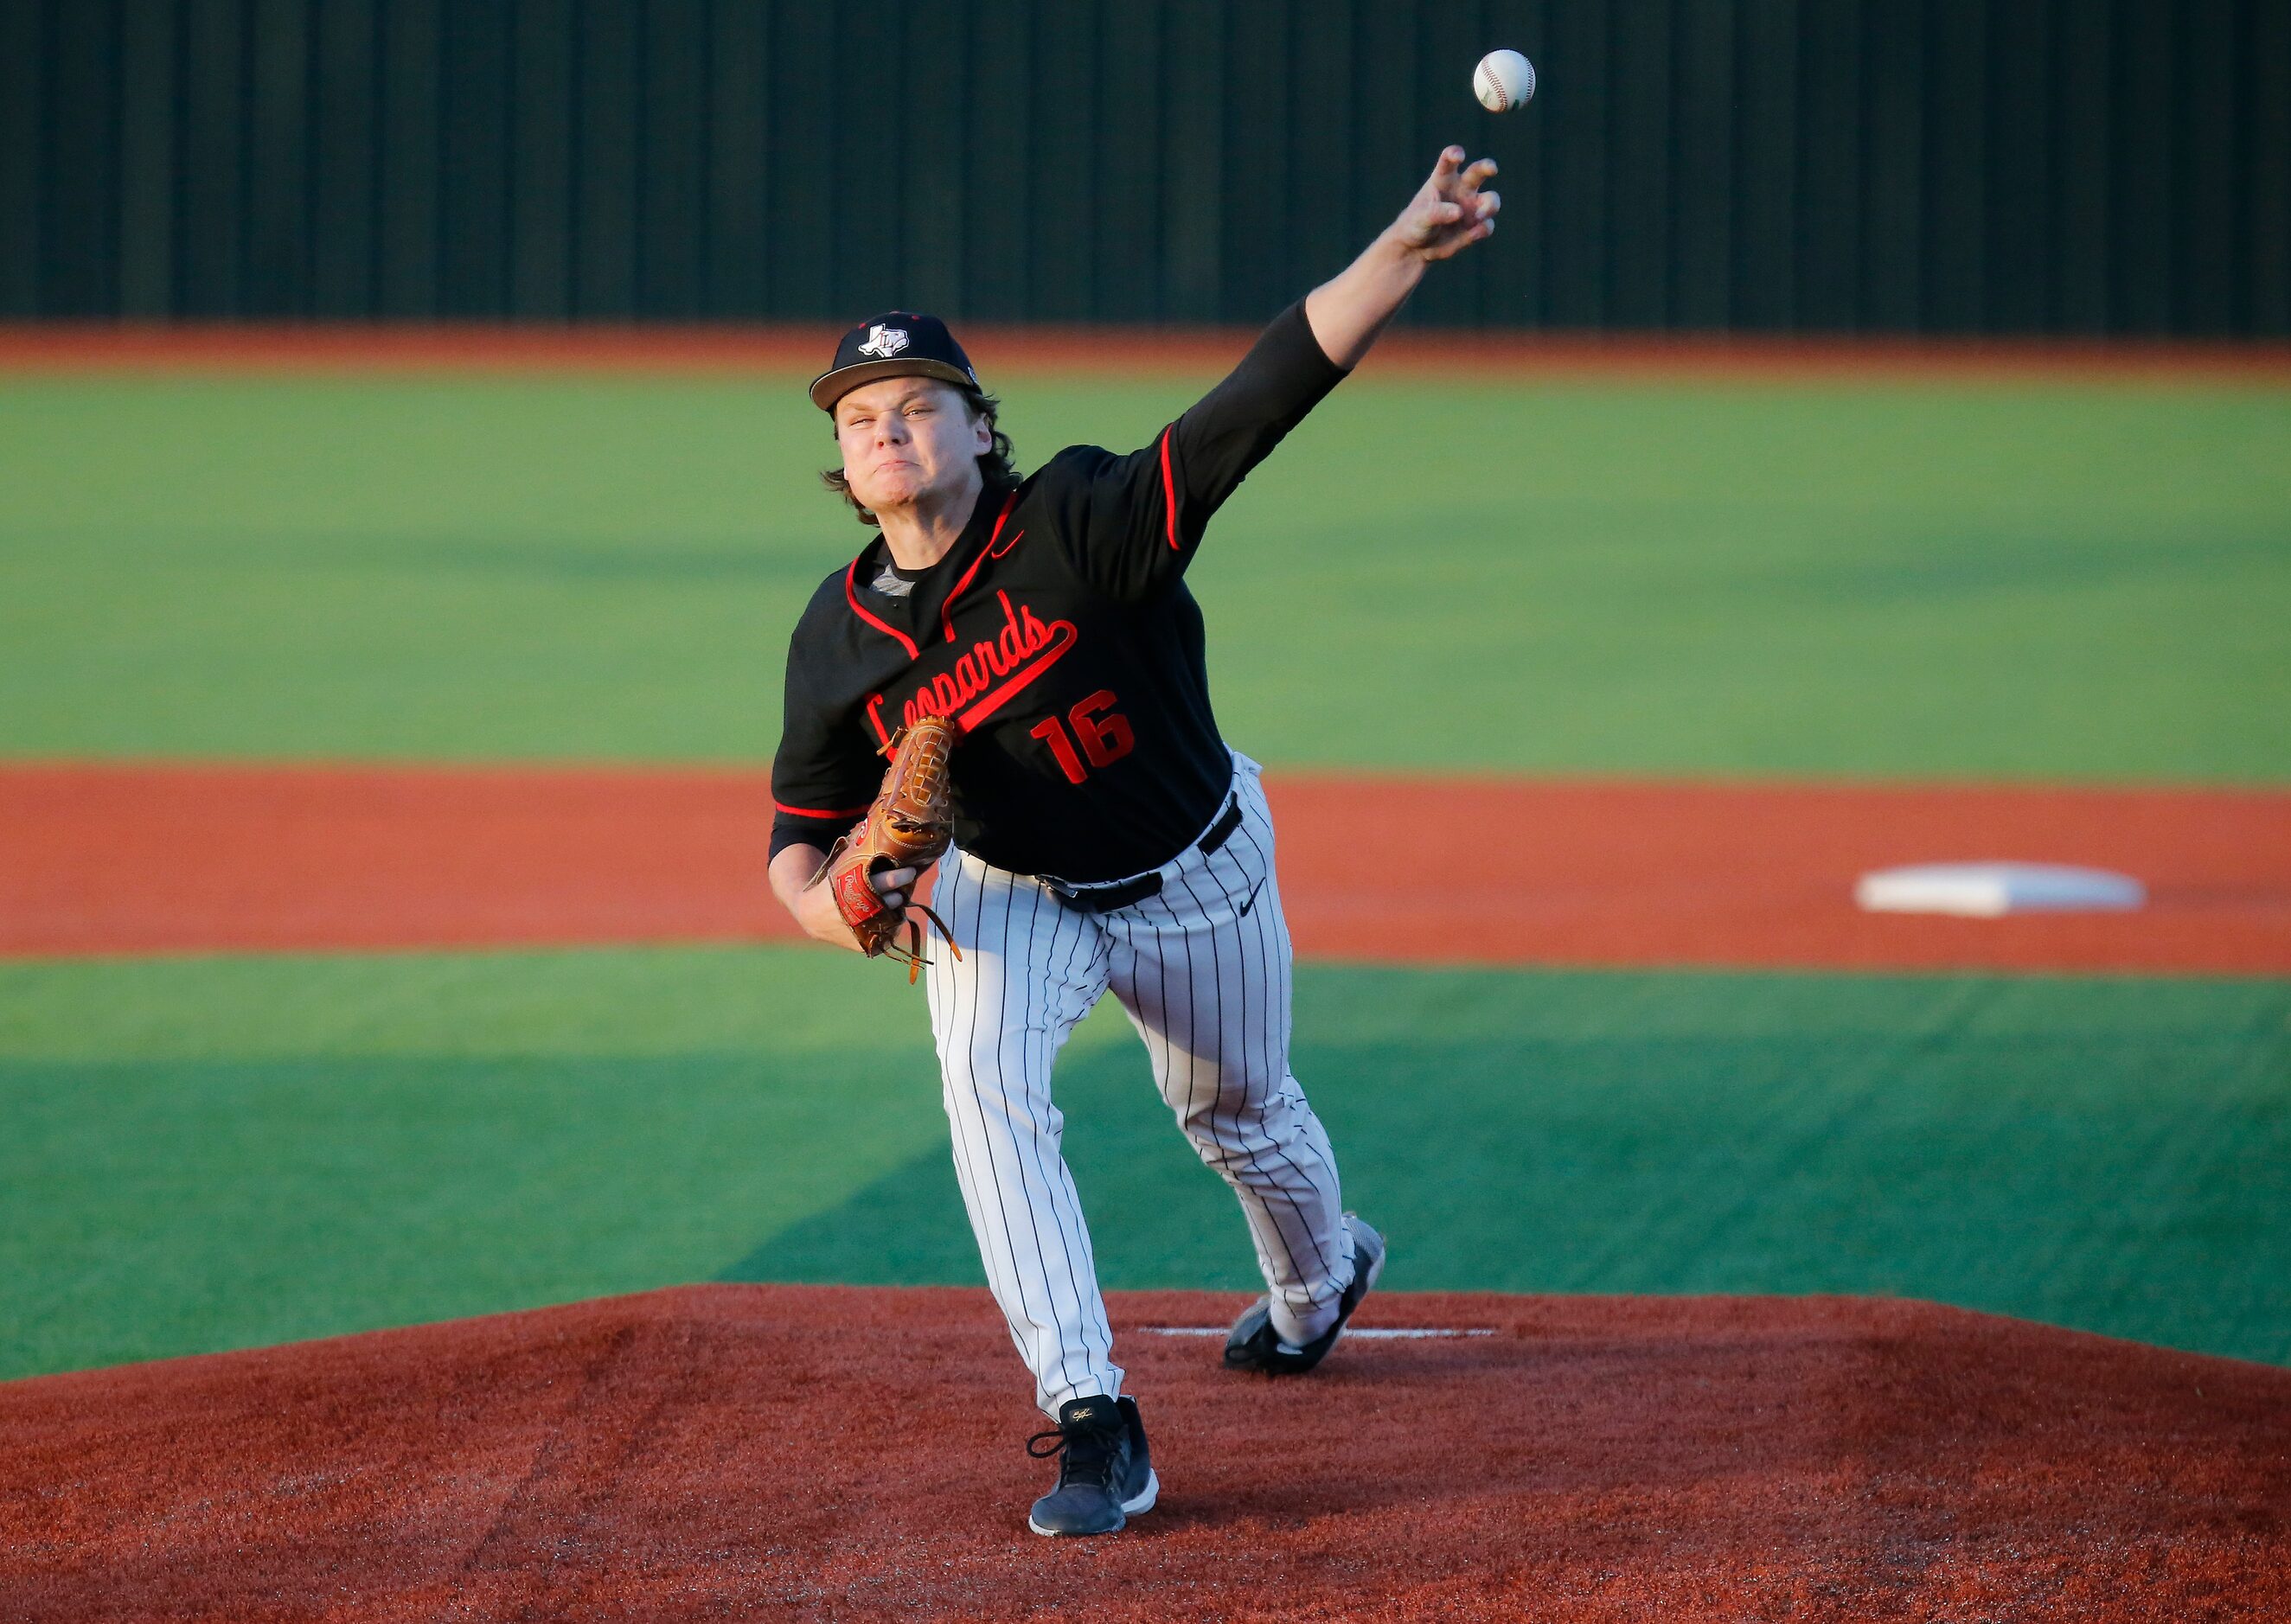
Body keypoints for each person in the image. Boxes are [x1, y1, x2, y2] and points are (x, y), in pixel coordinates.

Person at [768, 148, 1501, 1538]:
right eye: (861, 416)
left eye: (917, 404)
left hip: (1193, 872)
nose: (888, 430)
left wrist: (1401, 251)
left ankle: (1317, 1285)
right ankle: (1094, 1418)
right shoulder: (836, 638)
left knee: (1238, 1115)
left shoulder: (1082, 521)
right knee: (986, 1095)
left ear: (980, 430)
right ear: (843, 463)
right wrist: (846, 902)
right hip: (1008, 891)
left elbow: (1259, 399)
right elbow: (796, 846)